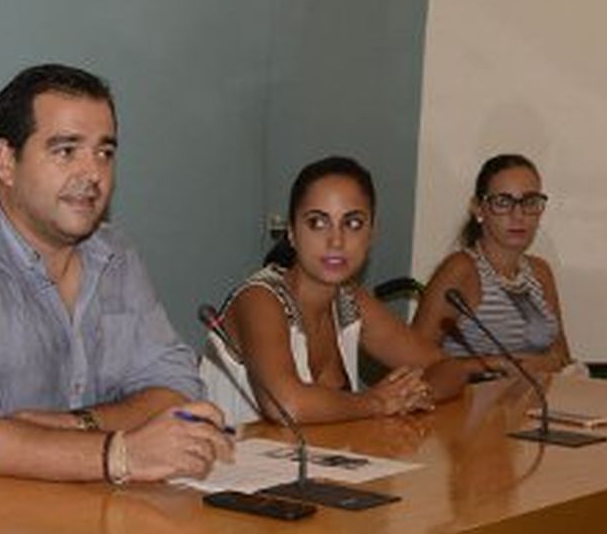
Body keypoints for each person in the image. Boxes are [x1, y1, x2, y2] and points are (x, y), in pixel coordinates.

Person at [0, 63, 231, 485]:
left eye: (104, 152)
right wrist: (118, 453)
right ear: (5, 162)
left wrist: (75, 426)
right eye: (66, 150)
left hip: (71, 523)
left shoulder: (116, 256)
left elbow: (178, 389)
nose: (92, 173)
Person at [200, 156, 467, 426]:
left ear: (371, 233)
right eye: (317, 222)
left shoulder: (351, 300)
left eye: (352, 223)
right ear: (291, 232)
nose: (336, 241)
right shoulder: (258, 299)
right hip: (230, 463)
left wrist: (412, 395)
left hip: (312, 462)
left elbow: (448, 367)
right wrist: (377, 401)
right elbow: (286, 405)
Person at [412, 153, 572, 374]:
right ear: (479, 209)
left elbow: (563, 357)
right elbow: (411, 361)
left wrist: (553, 363)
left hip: (536, 402)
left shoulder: (540, 272)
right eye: (503, 202)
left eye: (530, 202)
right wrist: (497, 365)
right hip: (471, 402)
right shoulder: (460, 269)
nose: (518, 215)